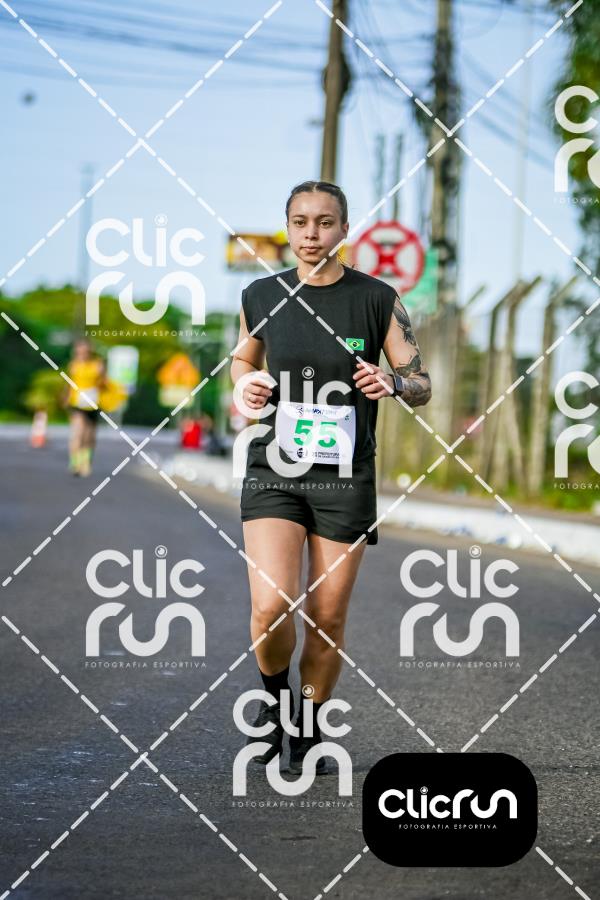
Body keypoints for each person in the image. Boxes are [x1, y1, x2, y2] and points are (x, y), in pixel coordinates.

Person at [230, 180, 432, 773]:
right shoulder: (260, 294)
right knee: (270, 605)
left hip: (345, 475)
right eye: (300, 222)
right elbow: (243, 358)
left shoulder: (377, 298)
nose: (311, 234)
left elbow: (422, 384)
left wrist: (393, 382)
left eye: (324, 222)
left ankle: (310, 726)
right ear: (287, 228)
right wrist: (248, 385)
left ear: (344, 229)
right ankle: (275, 706)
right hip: (276, 468)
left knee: (327, 618)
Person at [64, 337, 106, 477]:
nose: (82, 353)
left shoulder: (97, 365)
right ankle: (75, 463)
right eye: (79, 351)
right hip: (77, 403)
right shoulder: (73, 365)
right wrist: (66, 398)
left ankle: (85, 462)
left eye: (85, 351)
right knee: (78, 433)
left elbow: (104, 384)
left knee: (89, 436)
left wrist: (101, 377)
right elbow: (69, 383)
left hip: (93, 403)